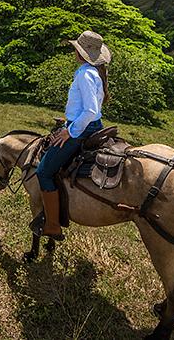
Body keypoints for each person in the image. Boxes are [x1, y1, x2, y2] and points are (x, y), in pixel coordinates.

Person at [35, 30, 111, 241]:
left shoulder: (85, 73)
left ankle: (52, 225)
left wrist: (70, 131)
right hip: (89, 125)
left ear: (80, 53)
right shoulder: (94, 72)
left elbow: (90, 111)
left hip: (82, 128)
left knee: (43, 172)